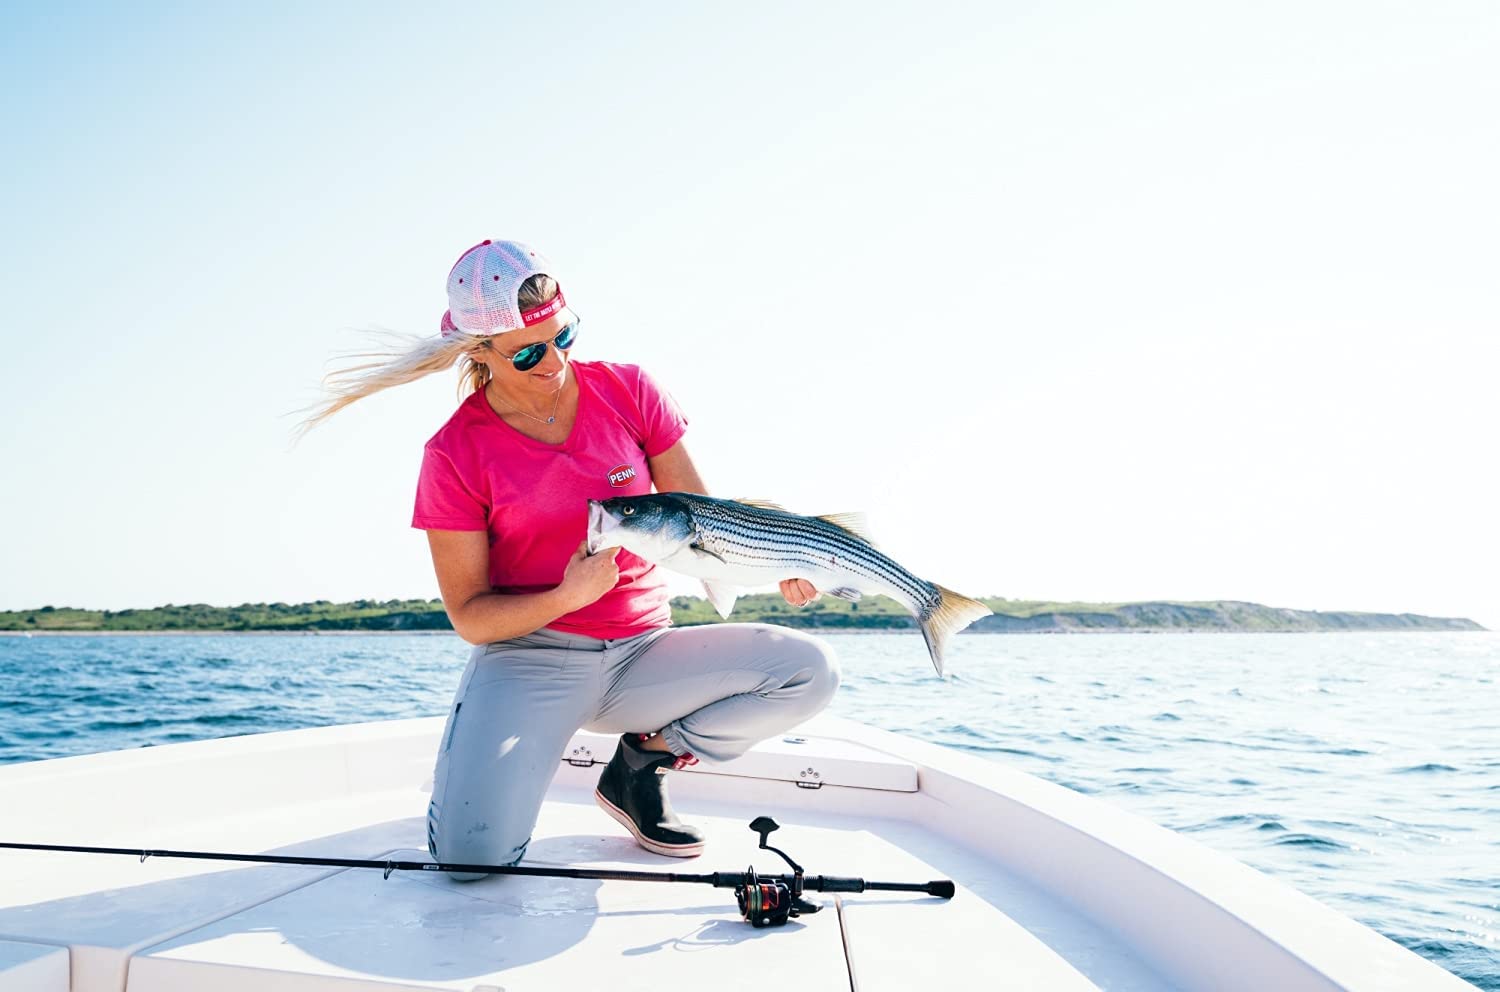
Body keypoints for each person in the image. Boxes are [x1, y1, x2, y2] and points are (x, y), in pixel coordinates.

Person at [300, 239, 840, 879]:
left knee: (809, 671)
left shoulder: (630, 390)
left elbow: (705, 523)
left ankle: (641, 763)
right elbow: (470, 616)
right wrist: (566, 597)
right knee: (470, 862)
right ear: (478, 351)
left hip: (644, 652)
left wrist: (779, 560)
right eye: (528, 352)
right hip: (528, 659)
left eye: (564, 336)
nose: (554, 361)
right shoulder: (453, 453)